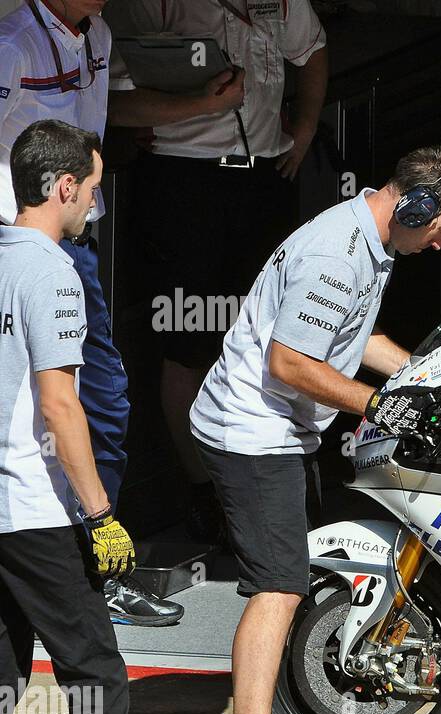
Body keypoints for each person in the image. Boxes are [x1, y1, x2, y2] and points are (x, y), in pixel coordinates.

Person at [190, 145, 441, 714]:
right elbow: (290, 364)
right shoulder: (336, 254)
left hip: (281, 428)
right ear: (415, 205)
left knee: (287, 580)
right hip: (252, 429)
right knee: (278, 585)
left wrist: (430, 377)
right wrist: (385, 405)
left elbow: (355, 340)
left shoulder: (366, 242)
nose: (440, 245)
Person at [0, 120, 228, 714]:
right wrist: (101, 516)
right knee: (98, 680)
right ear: (62, 188)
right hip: (38, 510)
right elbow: (63, 405)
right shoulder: (55, 270)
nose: (94, 204)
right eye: (92, 189)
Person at [0, 0, 246, 625]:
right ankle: (73, 564)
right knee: (46, 402)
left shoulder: (99, 34)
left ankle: (94, 558)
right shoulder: (14, 40)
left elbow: (116, 111)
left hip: (75, 241)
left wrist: (203, 106)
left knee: (101, 397)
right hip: (16, 240)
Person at [105, 0, 328, 541]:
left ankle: (273, 482)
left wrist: (305, 129)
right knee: (189, 340)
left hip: (262, 178)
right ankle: (207, 491)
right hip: (185, 183)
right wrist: (197, 105)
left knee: (274, 335)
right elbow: (116, 104)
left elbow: (314, 50)